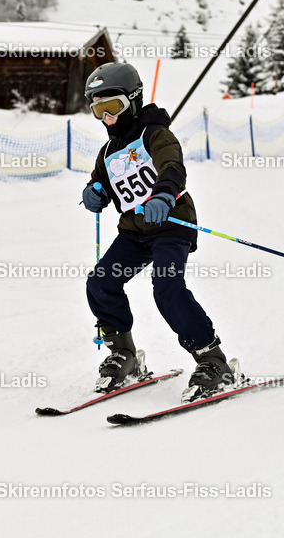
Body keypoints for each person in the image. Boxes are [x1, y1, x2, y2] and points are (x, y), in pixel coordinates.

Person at [81, 62, 234, 402]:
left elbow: (172, 166)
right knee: (101, 283)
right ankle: (125, 355)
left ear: (133, 101)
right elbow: (103, 184)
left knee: (166, 287)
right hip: (134, 232)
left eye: (113, 107)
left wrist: (164, 194)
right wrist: (94, 193)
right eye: (98, 110)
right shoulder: (108, 152)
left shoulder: (155, 134)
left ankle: (213, 360)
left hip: (172, 224)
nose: (107, 118)